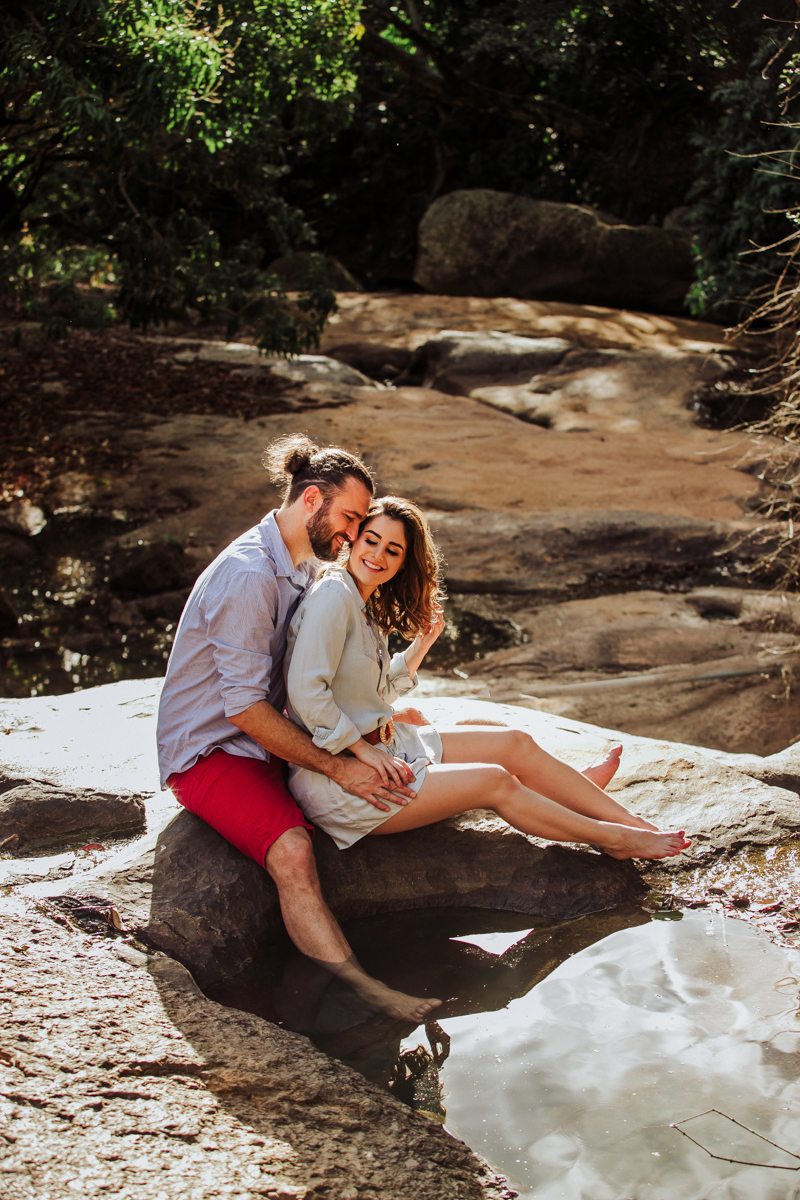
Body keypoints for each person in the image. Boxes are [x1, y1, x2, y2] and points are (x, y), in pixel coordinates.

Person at [157, 435, 441, 1022]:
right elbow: (244, 710)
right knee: (292, 853)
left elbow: (315, 670)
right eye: (351, 518)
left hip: (271, 739)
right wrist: (340, 766)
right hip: (213, 751)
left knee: (413, 751)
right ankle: (368, 991)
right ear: (312, 500)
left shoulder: (303, 565)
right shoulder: (248, 575)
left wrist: (380, 715)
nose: (354, 534)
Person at [285, 496, 691, 860]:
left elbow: (367, 696)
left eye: (393, 550)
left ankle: (629, 820)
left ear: (404, 561)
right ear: (353, 539)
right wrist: (362, 750)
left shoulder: (362, 601)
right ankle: (615, 839)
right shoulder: (334, 596)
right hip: (343, 782)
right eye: (371, 540)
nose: (378, 555)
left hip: (385, 751)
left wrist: (421, 647)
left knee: (515, 743)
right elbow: (306, 692)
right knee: (495, 781)